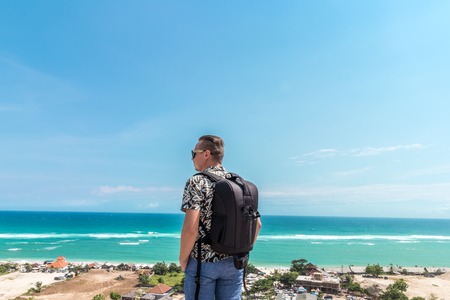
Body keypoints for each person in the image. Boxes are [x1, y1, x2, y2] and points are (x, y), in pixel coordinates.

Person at [179, 134, 262, 300]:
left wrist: (183, 260)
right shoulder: (239, 183)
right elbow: (257, 224)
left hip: (203, 263)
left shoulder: (197, 182)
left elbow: (190, 229)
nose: (192, 158)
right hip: (234, 262)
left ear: (206, 154)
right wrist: (241, 249)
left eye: (193, 153)